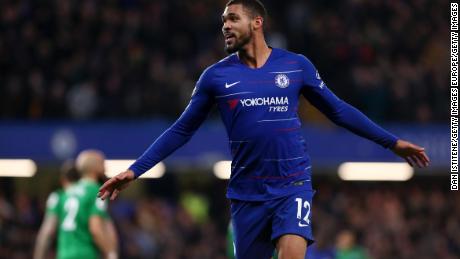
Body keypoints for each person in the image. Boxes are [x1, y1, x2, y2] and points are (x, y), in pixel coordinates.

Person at [98, 0, 430, 258]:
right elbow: (181, 130)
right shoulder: (215, 77)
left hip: (292, 184)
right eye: (223, 21)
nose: (225, 26)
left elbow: (338, 110)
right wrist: (135, 170)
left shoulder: (296, 65)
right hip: (246, 195)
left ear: (257, 23)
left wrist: (392, 143)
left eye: (232, 19)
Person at [50, 150, 118, 259]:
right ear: (96, 167)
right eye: (103, 164)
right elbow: (95, 228)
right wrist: (110, 253)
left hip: (63, 254)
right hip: (85, 253)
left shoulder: (66, 192)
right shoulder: (97, 191)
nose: (105, 168)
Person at [33, 160, 80, 259]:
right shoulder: (90, 195)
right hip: (88, 254)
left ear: (63, 179)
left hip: (65, 254)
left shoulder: (58, 197)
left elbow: (47, 232)